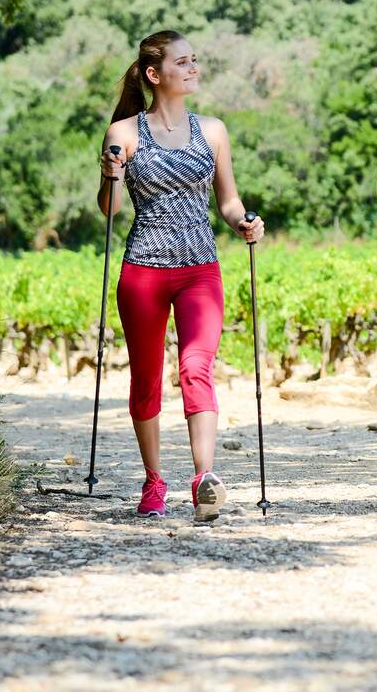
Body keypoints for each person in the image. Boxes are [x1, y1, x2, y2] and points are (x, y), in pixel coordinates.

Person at [98, 30, 265, 522]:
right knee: (147, 379)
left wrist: (243, 224)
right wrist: (111, 174)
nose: (194, 68)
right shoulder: (124, 134)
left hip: (200, 269)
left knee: (196, 367)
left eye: (196, 60)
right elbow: (108, 210)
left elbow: (228, 202)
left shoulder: (212, 130)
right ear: (155, 74)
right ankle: (153, 481)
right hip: (143, 271)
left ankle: (203, 479)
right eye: (183, 62)